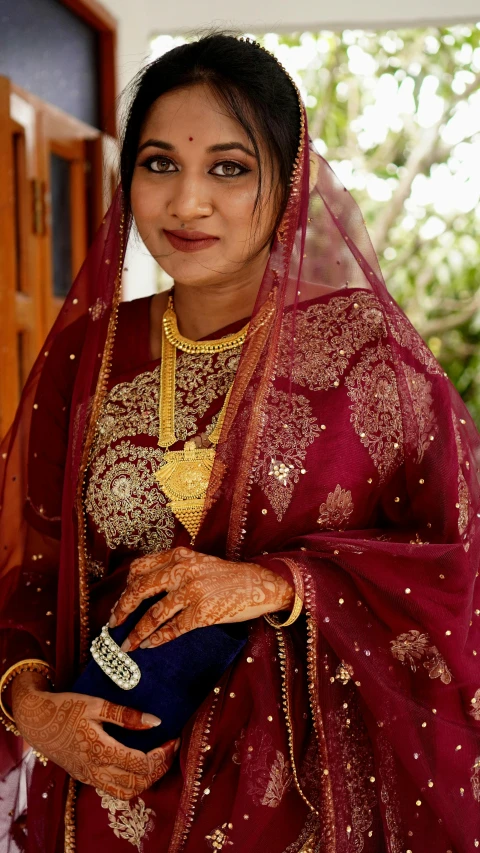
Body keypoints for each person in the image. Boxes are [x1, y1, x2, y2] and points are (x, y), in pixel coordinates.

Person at [0, 32, 479, 853]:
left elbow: (457, 566)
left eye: (230, 167)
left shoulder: (371, 358)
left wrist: (276, 585)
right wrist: (34, 707)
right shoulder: (91, 354)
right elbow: (28, 581)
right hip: (111, 805)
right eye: (158, 164)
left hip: (309, 810)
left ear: (290, 183)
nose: (188, 203)